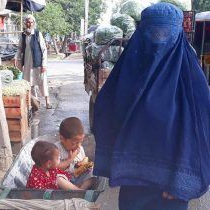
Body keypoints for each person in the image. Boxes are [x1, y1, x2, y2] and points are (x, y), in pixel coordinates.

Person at [93, 3, 210, 210]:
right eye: (154, 32)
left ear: (178, 33)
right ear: (142, 32)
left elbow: (202, 132)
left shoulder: (191, 80)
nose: (160, 40)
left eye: (167, 33)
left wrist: (181, 184)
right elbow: (104, 114)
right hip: (133, 183)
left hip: (172, 190)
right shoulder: (125, 74)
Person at [14, 14, 52, 109]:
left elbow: (44, 50)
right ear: (25, 23)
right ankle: (35, 102)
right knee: (30, 83)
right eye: (27, 22)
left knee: (42, 81)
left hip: (38, 63)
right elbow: (19, 48)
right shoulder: (23, 35)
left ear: (33, 24)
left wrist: (44, 64)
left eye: (31, 22)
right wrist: (16, 57)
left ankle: (48, 101)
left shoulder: (37, 34)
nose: (29, 24)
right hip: (27, 63)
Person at [55, 117, 93, 188]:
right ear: (62, 138)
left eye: (81, 142)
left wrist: (84, 165)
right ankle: (77, 191)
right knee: (57, 178)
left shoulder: (80, 148)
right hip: (65, 180)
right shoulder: (56, 149)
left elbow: (84, 162)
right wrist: (70, 159)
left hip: (77, 177)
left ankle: (82, 190)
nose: (78, 145)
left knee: (92, 171)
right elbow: (56, 168)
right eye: (74, 143)